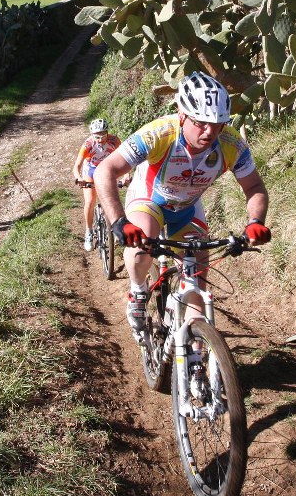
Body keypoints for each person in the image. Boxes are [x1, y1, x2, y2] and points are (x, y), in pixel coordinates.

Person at [94, 72, 271, 339]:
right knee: (142, 246)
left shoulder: (232, 143)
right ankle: (138, 290)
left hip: (187, 208)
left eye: (218, 123)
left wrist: (255, 222)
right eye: (200, 122)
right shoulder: (159, 134)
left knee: (196, 289)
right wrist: (119, 221)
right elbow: (104, 171)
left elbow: (254, 188)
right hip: (150, 200)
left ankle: (196, 355)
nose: (210, 132)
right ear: (182, 113)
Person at [72, 118, 122, 251]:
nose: (100, 139)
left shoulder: (114, 141)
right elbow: (77, 165)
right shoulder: (88, 144)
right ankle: (88, 232)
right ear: (92, 135)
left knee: (112, 200)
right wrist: (78, 178)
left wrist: (127, 175)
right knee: (90, 201)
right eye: (97, 137)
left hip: (107, 170)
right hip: (91, 170)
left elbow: (125, 157)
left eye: (103, 136)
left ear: (107, 133)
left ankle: (116, 226)